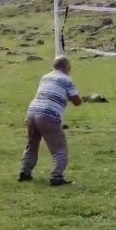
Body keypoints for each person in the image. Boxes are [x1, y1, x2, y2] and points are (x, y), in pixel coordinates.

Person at [19, 56, 82, 186]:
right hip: (48, 114)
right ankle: (56, 176)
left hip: (32, 112)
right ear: (66, 66)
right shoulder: (66, 79)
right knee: (59, 147)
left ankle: (25, 170)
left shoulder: (45, 77)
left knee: (32, 144)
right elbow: (76, 101)